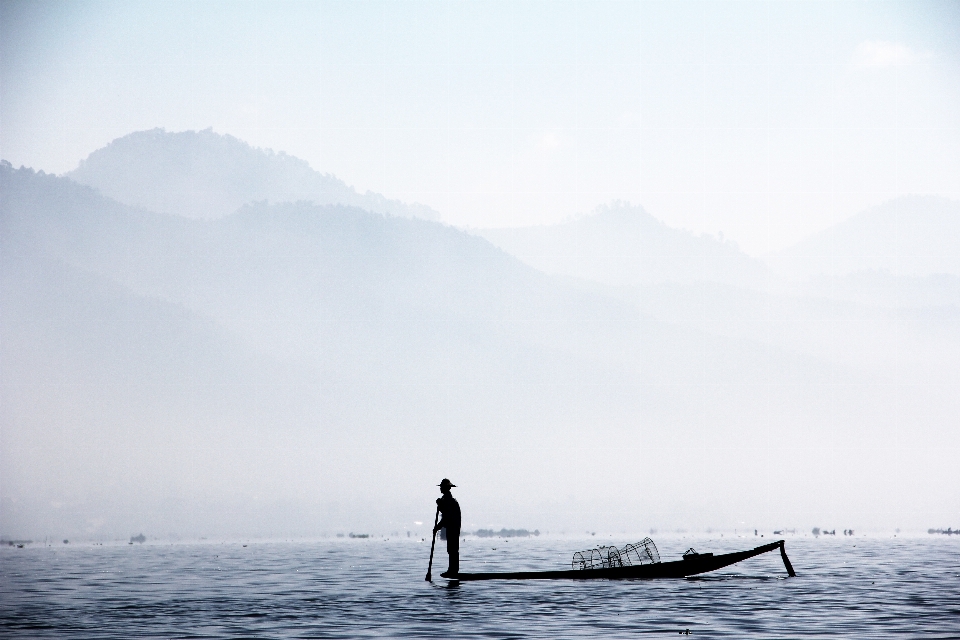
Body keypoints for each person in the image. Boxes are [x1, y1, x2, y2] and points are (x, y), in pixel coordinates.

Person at [433, 478, 461, 577]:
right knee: (451, 549)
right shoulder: (446, 500)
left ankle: (453, 570)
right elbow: (445, 513)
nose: (440, 488)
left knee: (452, 549)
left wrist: (438, 527)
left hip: (453, 527)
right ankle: (452, 569)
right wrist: (440, 505)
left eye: (442, 487)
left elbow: (447, 516)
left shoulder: (450, 500)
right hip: (451, 527)